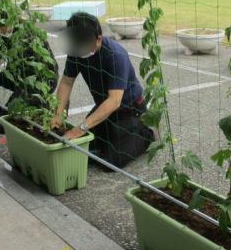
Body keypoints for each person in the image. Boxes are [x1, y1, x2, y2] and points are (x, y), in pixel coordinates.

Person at [52, 12, 154, 168]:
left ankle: (147, 133)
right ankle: (112, 134)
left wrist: (81, 127)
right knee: (82, 147)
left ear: (98, 39)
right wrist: (58, 114)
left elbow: (114, 101)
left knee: (110, 162)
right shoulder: (76, 50)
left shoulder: (115, 55)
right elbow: (66, 82)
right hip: (103, 107)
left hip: (129, 110)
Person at [0, 0, 59, 131]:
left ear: (5, 20)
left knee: (0, 125)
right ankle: (25, 106)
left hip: (38, 83)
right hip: (22, 81)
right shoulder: (8, 32)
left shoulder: (25, 35)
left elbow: (8, 74)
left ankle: (42, 104)